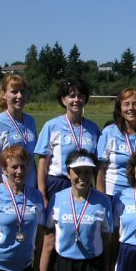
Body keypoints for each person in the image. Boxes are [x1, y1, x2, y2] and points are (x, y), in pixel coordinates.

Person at [40, 150, 113, 271]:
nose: (82, 177)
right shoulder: (57, 199)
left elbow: (107, 240)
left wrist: (106, 269)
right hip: (64, 262)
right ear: (68, 173)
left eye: (87, 172)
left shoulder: (103, 201)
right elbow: (48, 242)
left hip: (91, 263)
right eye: (77, 172)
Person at [35, 78, 101, 206]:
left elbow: (98, 165)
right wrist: (42, 194)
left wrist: (99, 191)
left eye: (80, 96)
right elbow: (43, 163)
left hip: (84, 184)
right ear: (63, 100)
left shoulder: (93, 128)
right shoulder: (52, 126)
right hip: (58, 183)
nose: (76, 100)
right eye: (71, 96)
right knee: (54, 225)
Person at [0, 75, 38, 187]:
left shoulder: (31, 121)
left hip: (30, 188)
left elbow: (32, 159)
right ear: (4, 95)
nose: (20, 96)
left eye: (22, 91)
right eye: (14, 92)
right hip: (6, 189)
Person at [97, 88, 136, 198]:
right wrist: (102, 199)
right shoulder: (109, 132)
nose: (131, 108)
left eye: (135, 104)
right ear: (120, 108)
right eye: (126, 104)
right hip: (113, 194)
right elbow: (100, 169)